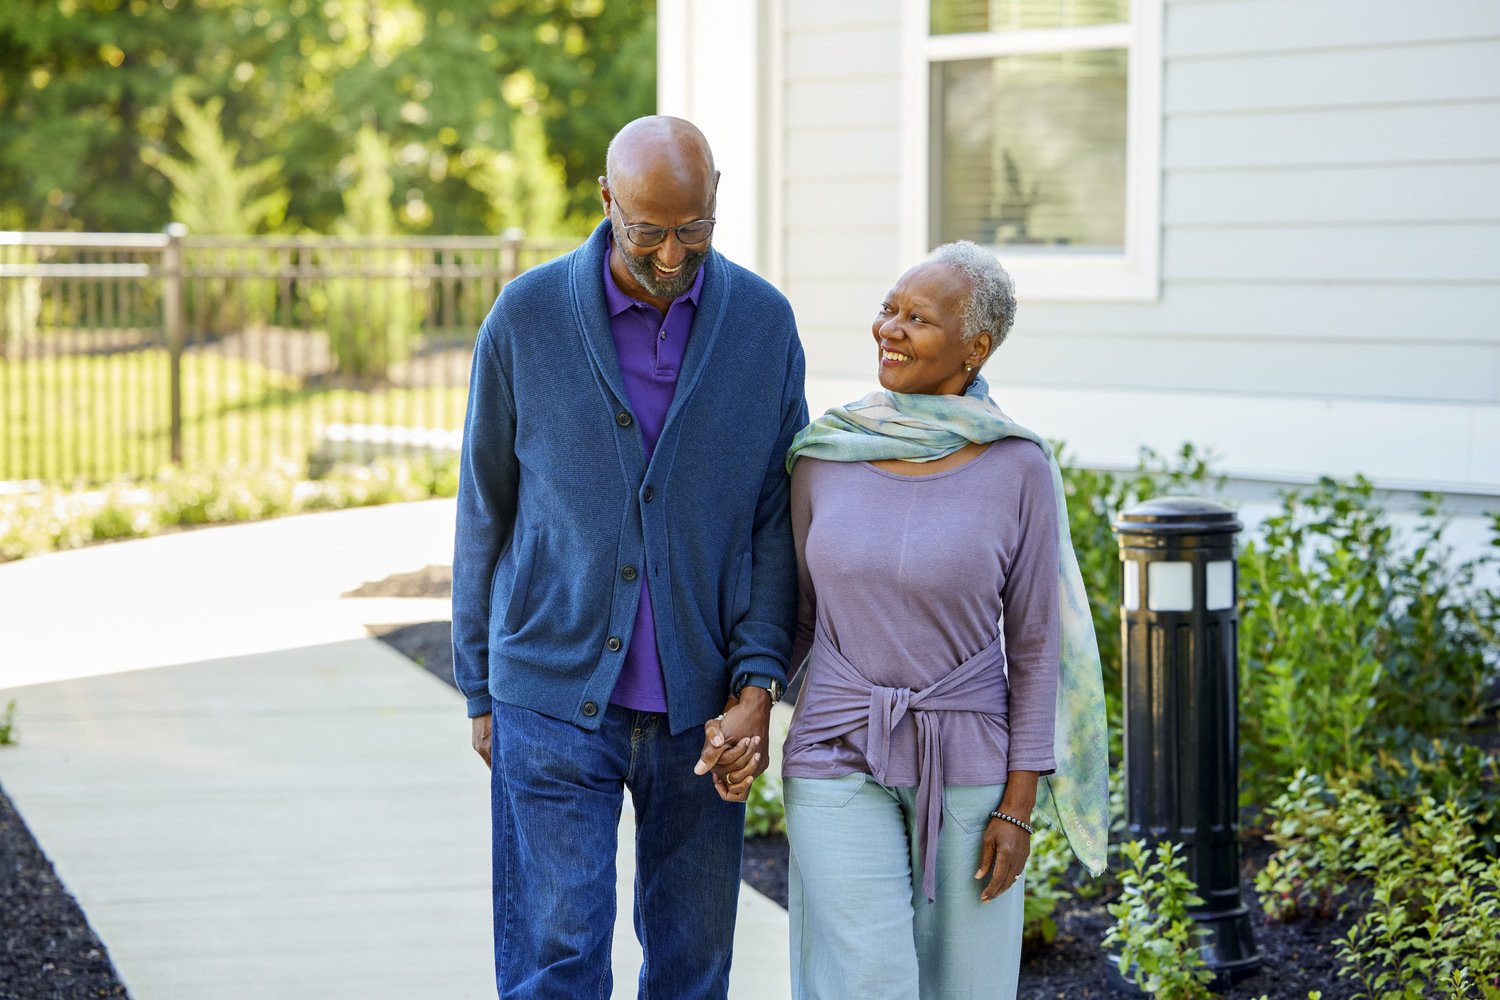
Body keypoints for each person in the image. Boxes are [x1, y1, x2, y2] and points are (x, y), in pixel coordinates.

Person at [451, 115, 807, 1000]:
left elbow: (775, 519)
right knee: (557, 962)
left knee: (692, 969)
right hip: (550, 696)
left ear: (716, 197)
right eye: (648, 230)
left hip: (704, 713)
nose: (673, 254)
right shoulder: (526, 318)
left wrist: (759, 685)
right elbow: (484, 505)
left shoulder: (762, 325)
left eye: (695, 228)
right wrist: (479, 683)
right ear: (608, 199)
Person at [773, 241, 1109, 999]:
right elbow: (791, 616)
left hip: (969, 763)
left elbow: (1033, 644)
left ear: (973, 349)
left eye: (917, 319)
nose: (889, 328)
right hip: (834, 744)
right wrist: (744, 702)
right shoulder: (826, 453)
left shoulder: (1018, 465)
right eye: (888, 308)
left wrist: (1019, 810)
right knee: (871, 980)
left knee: (965, 986)